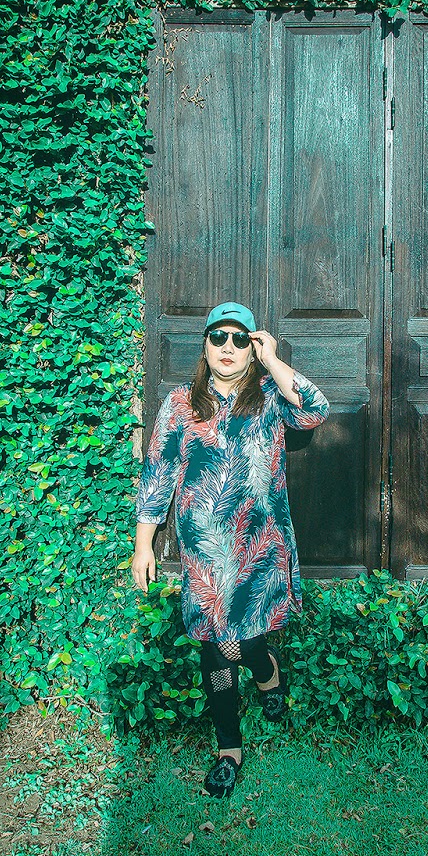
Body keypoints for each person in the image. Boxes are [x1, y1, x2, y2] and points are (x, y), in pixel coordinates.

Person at [130, 301, 331, 797]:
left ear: (252, 348)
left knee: (251, 641)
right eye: (218, 337)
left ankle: (267, 673)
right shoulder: (180, 403)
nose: (228, 347)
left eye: (240, 339)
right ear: (204, 346)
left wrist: (273, 360)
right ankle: (228, 748)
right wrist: (143, 545)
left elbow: (315, 410)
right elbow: (157, 475)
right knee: (217, 647)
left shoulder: (271, 397)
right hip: (205, 556)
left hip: (260, 548)